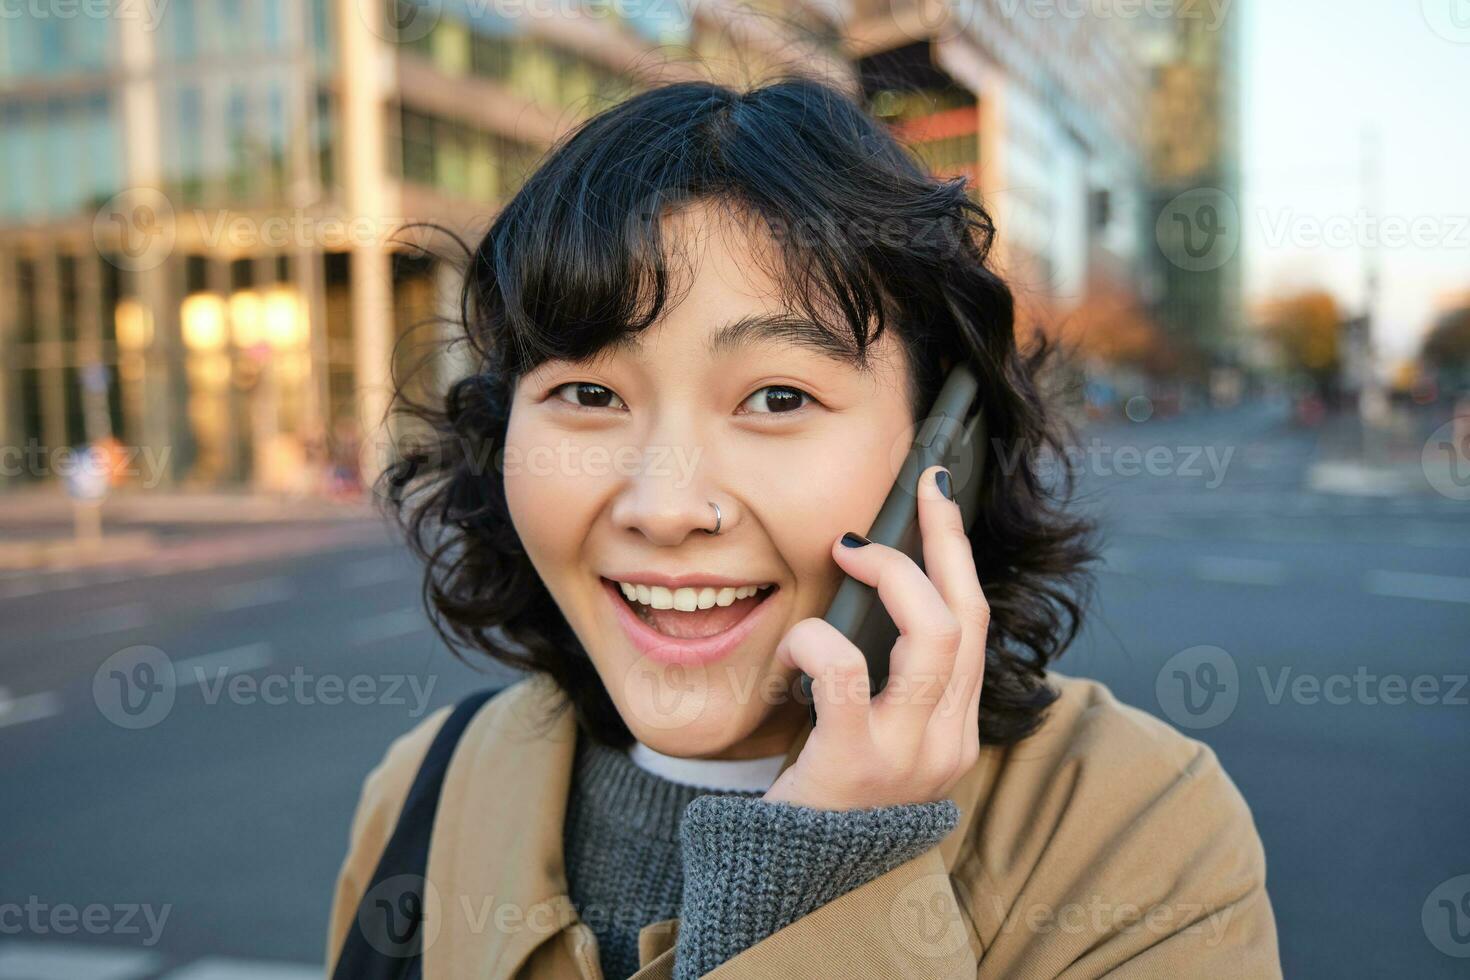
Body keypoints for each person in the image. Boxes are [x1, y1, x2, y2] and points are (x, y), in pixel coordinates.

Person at [326, 76, 1281, 978]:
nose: (663, 507)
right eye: (586, 392)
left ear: (948, 450)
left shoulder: (1133, 827)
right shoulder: (428, 791)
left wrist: (824, 881)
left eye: (777, 397)